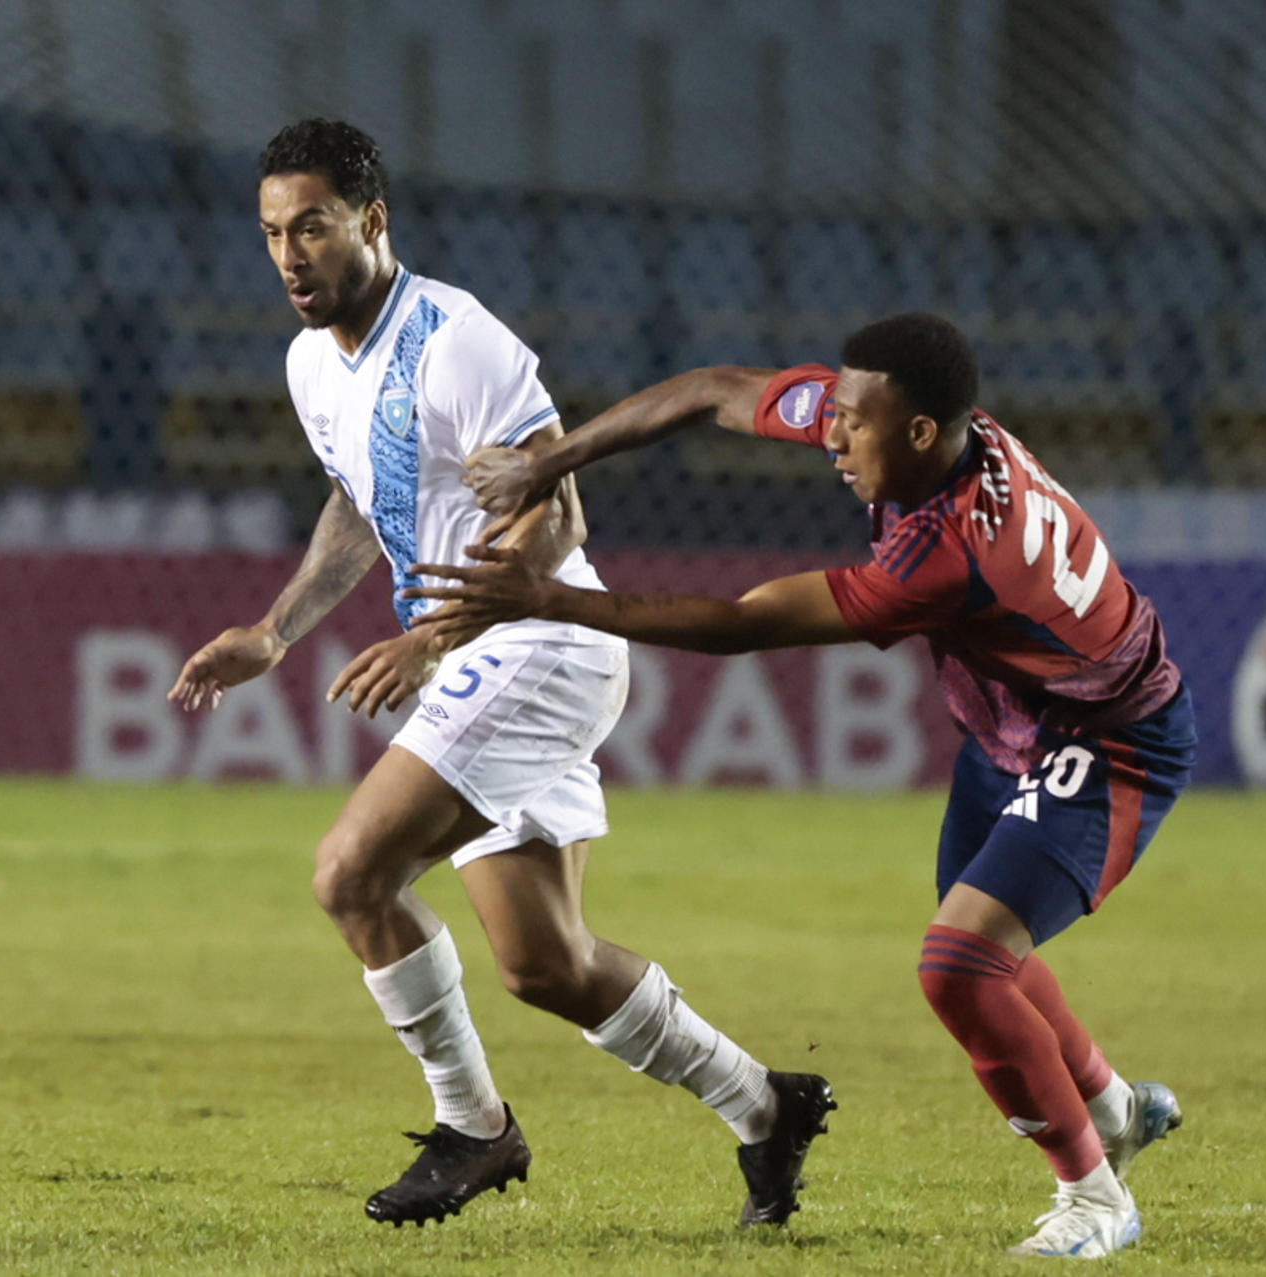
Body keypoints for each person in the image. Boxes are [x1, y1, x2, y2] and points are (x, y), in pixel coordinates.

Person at [167, 119, 835, 1230]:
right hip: (479, 661)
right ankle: (767, 1103)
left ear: (372, 222)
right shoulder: (308, 361)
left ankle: (474, 1128)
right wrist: (276, 629)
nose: (291, 254)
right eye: (274, 233)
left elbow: (554, 505)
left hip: (536, 643)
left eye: (314, 227)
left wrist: (431, 636)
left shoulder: (456, 338)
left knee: (351, 872)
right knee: (545, 961)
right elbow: (359, 495)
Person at [410, 313, 1192, 1259]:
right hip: (1014, 725)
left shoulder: (956, 551)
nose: (831, 432)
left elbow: (742, 621)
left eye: (852, 423)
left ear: (915, 433)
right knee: (991, 944)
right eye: (834, 409)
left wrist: (549, 598)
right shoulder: (918, 422)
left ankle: (1095, 1195)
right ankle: (1109, 1106)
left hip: (1110, 739)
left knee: (961, 962)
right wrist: (548, 463)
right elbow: (709, 390)